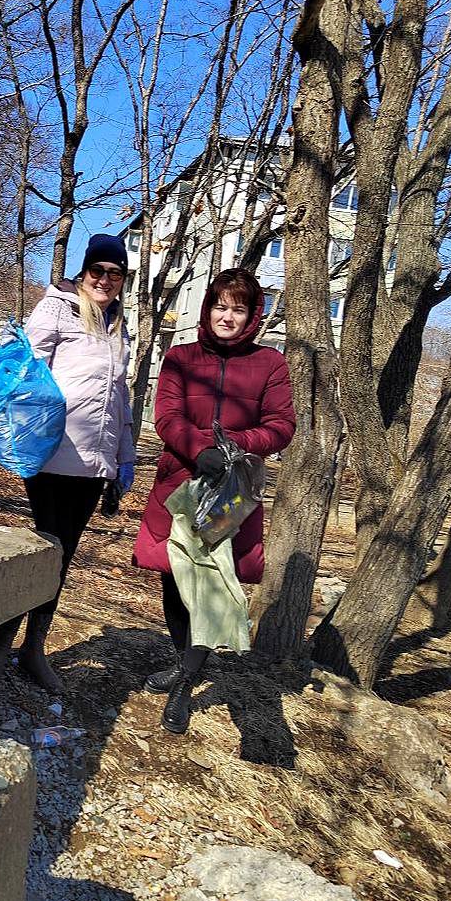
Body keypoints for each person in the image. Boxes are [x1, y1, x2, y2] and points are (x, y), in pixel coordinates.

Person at [133, 268, 295, 734]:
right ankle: (183, 659)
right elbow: (166, 414)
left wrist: (233, 444)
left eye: (238, 308)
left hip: (232, 492)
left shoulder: (271, 364)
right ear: (207, 309)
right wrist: (197, 448)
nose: (227, 316)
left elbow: (282, 425)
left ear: (252, 316)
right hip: (180, 482)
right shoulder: (181, 357)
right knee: (173, 577)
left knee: (212, 585)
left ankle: (185, 682)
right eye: (220, 306)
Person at [0, 233, 137, 694]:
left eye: (116, 273)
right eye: (98, 271)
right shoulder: (56, 309)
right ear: (83, 272)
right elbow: (24, 374)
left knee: (62, 557)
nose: (106, 280)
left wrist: (124, 457)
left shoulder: (118, 326)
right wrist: (26, 435)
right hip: (53, 454)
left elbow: (120, 396)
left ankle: (33, 648)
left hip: (94, 463)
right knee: (42, 550)